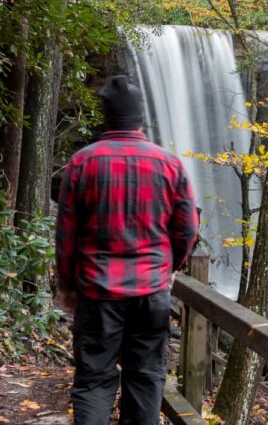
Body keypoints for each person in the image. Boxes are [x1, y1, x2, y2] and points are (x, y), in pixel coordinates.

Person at [55, 75, 198, 425]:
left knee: (94, 381)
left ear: (107, 117)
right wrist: (170, 266)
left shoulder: (82, 163)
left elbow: (66, 235)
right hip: (151, 291)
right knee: (146, 376)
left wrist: (68, 285)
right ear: (139, 118)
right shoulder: (169, 164)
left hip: (98, 292)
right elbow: (187, 229)